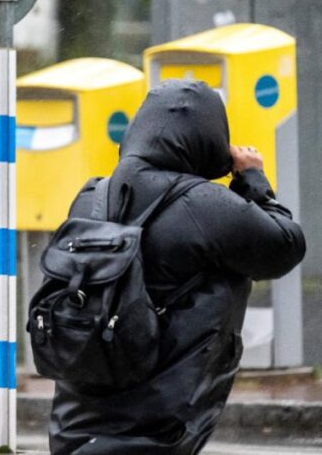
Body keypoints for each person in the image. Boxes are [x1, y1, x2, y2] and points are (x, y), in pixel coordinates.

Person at [49, 80, 305, 454]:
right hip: (159, 420)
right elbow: (285, 246)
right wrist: (252, 178)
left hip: (77, 419)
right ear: (208, 139)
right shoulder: (206, 205)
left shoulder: (91, 197)